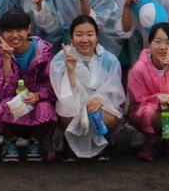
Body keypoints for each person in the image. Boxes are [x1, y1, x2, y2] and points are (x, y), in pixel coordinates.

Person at [0, 9, 56, 163]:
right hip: (10, 99)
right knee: (4, 105)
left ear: (28, 29)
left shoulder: (43, 52)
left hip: (35, 99)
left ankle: (35, 141)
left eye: (20, 30)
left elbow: (50, 82)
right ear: (2, 33)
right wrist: (7, 59)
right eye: (9, 31)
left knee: (47, 108)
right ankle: (8, 141)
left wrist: (37, 95)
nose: (15, 35)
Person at [51, 15, 126, 161]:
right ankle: (70, 143)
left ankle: (101, 142)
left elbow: (114, 90)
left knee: (109, 116)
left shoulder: (109, 59)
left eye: (90, 34)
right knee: (68, 110)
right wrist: (71, 71)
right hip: (73, 103)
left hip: (98, 106)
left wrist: (100, 100)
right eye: (79, 35)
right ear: (71, 38)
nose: (85, 40)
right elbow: (61, 93)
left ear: (97, 37)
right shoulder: (62, 58)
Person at [126, 22, 169, 161]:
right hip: (149, 107)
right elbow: (138, 97)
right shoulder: (140, 67)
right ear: (149, 44)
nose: (163, 47)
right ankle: (150, 140)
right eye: (157, 42)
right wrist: (158, 101)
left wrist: (167, 73)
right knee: (147, 112)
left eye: (168, 42)